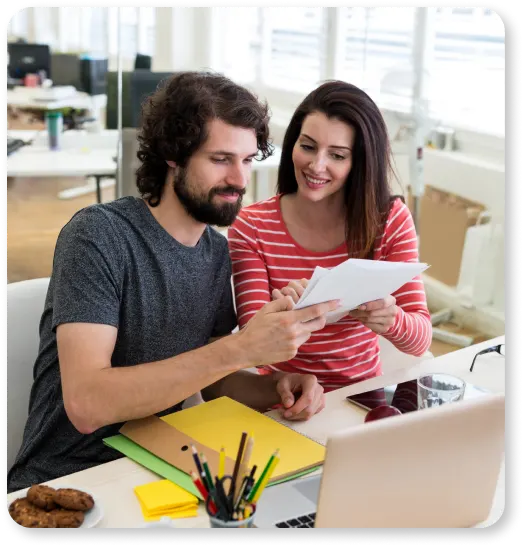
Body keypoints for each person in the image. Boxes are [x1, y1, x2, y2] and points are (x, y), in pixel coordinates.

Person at [7, 72, 340, 493]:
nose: (240, 180)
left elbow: (214, 380)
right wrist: (243, 347)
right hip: (66, 482)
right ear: (173, 155)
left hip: (164, 469)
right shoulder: (98, 236)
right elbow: (87, 404)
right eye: (221, 159)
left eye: (248, 160)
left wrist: (275, 386)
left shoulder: (216, 254)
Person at [228, 80, 432, 395]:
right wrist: (287, 312)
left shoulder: (389, 220)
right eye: (307, 146)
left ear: (359, 163)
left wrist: (391, 320)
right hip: (283, 395)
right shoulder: (252, 226)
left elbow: (421, 341)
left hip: (359, 398)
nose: (316, 165)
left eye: (337, 155)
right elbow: (253, 345)